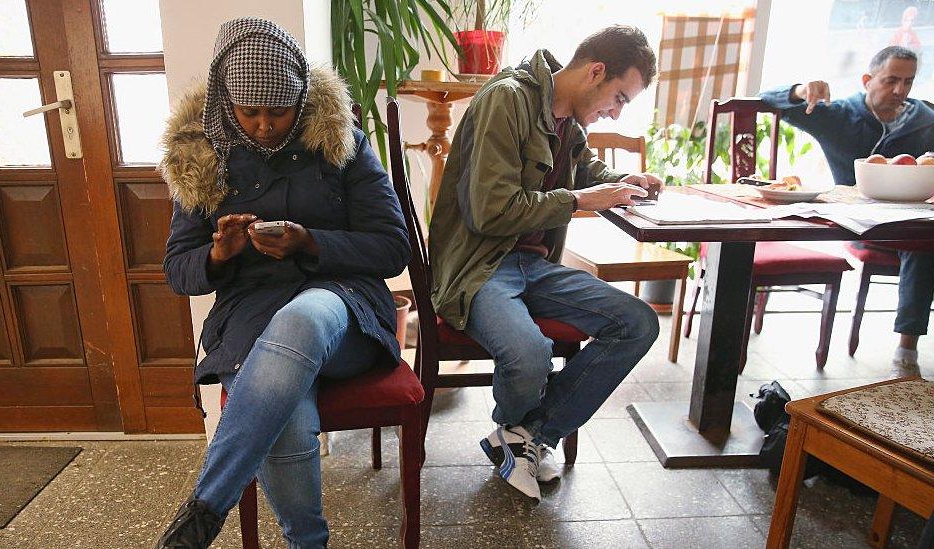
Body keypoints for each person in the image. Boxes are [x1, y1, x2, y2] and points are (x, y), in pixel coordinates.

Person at [155, 17, 409, 548]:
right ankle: (308, 543)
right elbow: (178, 271)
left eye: (279, 110)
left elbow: (392, 247)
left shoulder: (340, 140)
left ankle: (203, 510)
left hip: (345, 307)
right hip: (249, 312)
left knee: (299, 319)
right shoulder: (198, 158)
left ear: (300, 96)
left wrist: (310, 242)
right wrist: (218, 253)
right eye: (251, 113)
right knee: (286, 409)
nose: (265, 125)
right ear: (227, 104)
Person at [428, 25, 662, 501]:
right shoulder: (507, 100)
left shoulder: (570, 120)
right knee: (529, 354)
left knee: (638, 322)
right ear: (595, 71)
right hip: (480, 264)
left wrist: (626, 180)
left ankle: (526, 437)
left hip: (533, 266)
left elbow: (586, 171)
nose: (616, 112)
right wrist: (578, 200)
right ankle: (525, 436)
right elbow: (490, 210)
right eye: (619, 97)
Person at [760, 46, 934, 376]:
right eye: (891, 80)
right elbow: (767, 98)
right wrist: (801, 90)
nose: (900, 91)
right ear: (868, 79)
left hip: (913, 224)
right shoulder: (839, 115)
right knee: (925, 247)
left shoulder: (925, 119)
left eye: (908, 82)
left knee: (924, 241)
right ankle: (907, 355)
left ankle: (905, 348)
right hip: (860, 225)